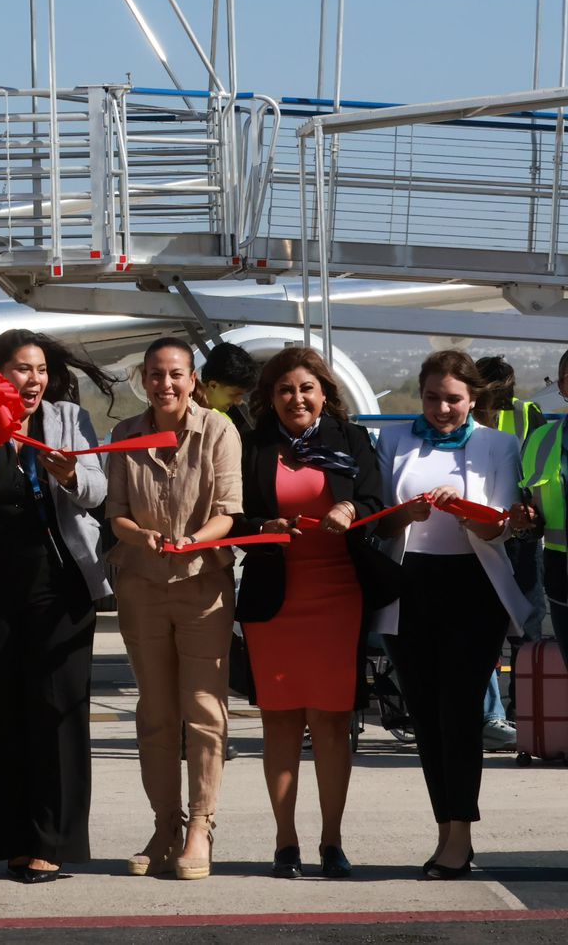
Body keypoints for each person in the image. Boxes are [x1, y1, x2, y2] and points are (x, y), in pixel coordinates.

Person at [0, 331, 113, 883]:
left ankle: (50, 840)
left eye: (39, 370)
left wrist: (68, 473)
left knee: (56, 711)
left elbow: (98, 490)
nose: (32, 379)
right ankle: (7, 838)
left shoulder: (67, 419)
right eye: (20, 369)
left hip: (59, 586)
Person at [373, 349, 529, 879]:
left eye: (454, 399)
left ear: (474, 399)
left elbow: (499, 526)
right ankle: (446, 828)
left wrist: (463, 510)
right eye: (433, 397)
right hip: (408, 585)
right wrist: (403, 515)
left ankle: (459, 835)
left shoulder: (498, 444)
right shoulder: (393, 438)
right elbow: (379, 522)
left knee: (459, 714)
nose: (442, 408)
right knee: (425, 717)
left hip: (472, 587)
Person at [233, 347, 385, 880]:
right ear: (269, 398)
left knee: (331, 721)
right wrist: (262, 529)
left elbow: (375, 502)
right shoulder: (253, 447)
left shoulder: (352, 441)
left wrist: (351, 510)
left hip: (338, 595)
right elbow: (233, 519)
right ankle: (285, 842)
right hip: (276, 597)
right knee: (280, 721)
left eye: (306, 388)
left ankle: (332, 842)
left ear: (324, 392)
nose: (296, 398)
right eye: (284, 390)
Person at [105, 336, 242, 881]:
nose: (166, 384)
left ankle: (201, 828)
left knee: (204, 710)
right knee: (155, 713)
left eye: (176, 375)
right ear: (143, 379)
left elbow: (230, 510)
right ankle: (165, 824)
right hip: (140, 585)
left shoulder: (219, 430)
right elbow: (115, 513)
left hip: (202, 587)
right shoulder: (124, 435)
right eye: (156, 375)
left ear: (194, 382)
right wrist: (139, 536)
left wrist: (195, 540)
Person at [476, 354, 544, 746]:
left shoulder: (525, 414)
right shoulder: (461, 414)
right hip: (480, 536)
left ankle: (529, 711)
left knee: (527, 629)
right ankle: (492, 717)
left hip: (519, 537)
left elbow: (538, 468)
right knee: (484, 627)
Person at [514, 349, 568, 672]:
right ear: (562, 387)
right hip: (561, 577)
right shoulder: (540, 441)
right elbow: (531, 518)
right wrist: (525, 522)